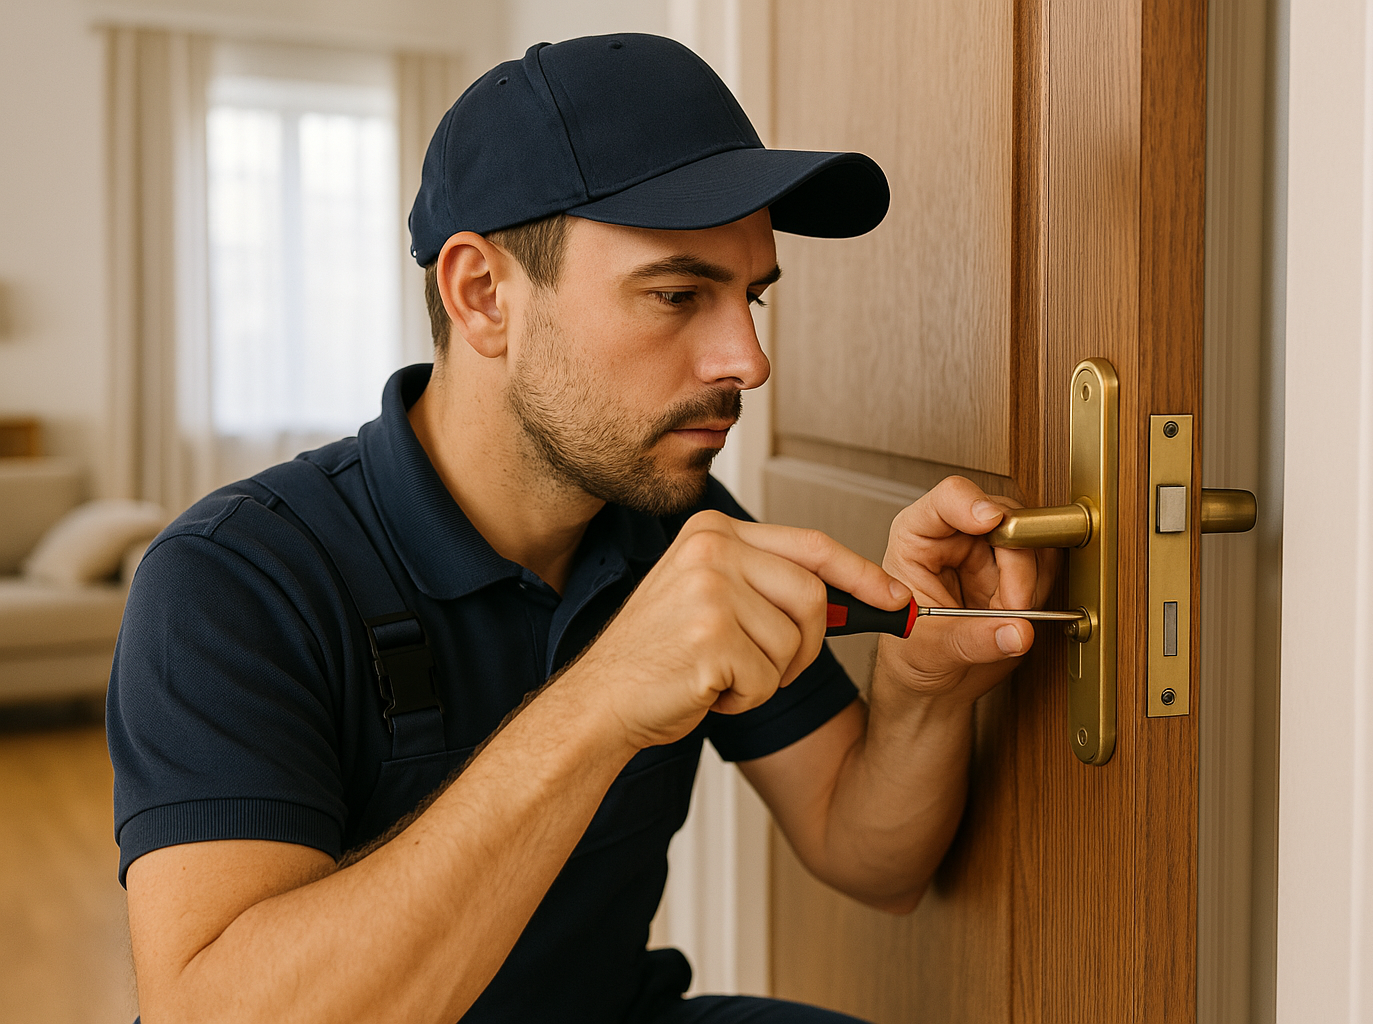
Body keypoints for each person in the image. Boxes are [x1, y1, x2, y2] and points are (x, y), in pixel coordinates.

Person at [108, 33, 1051, 1024]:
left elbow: (872, 857)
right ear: (483, 295)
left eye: (752, 297)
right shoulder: (234, 579)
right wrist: (603, 696)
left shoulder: (673, 518)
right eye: (679, 294)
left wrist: (926, 691)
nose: (748, 360)